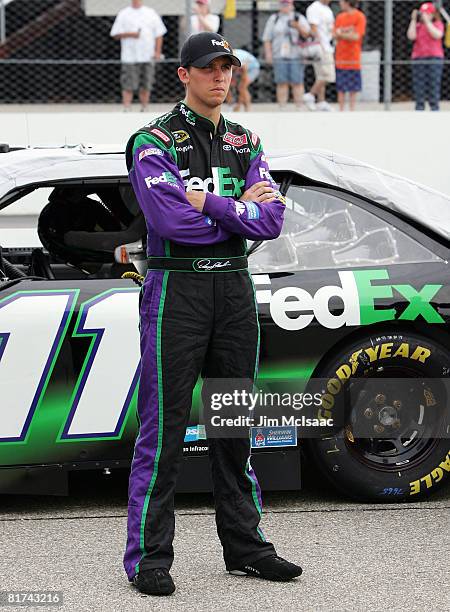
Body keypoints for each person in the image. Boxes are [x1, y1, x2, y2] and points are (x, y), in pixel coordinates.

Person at [123, 31, 302, 597]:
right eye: (209, 68)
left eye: (228, 67)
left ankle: (247, 549)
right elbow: (173, 223)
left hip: (233, 291)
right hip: (175, 291)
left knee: (235, 425)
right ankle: (148, 559)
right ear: (184, 74)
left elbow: (271, 223)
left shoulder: (247, 139)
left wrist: (212, 203)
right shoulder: (153, 140)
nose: (221, 76)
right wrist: (238, 213)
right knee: (166, 430)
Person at [110, 0, 167, 112]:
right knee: (128, 83)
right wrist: (130, 34)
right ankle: (127, 107)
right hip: (130, 55)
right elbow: (115, 33)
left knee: (146, 82)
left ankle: (144, 107)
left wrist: (157, 51)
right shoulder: (124, 13)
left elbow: (159, 33)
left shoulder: (151, 13)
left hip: (147, 54)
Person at [263, 0, 311, 108]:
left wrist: (297, 26)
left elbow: (308, 35)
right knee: (281, 82)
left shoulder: (299, 17)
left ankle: (299, 106)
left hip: (297, 55)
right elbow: (267, 38)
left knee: (297, 82)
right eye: (283, 4)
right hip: (279, 55)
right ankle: (282, 107)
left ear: (292, 5)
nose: (285, 6)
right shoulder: (274, 19)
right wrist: (268, 54)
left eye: (287, 4)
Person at [407, 2, 444, 111]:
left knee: (434, 85)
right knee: (419, 86)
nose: (424, 15)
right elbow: (411, 36)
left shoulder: (437, 23)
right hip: (419, 57)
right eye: (423, 13)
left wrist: (428, 22)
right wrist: (413, 20)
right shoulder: (418, 26)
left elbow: (437, 35)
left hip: (434, 58)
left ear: (433, 14)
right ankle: (419, 107)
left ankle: (434, 108)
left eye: (427, 13)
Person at [334, 0, 366, 111]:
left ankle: (352, 110)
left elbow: (356, 37)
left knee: (353, 89)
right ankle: (341, 109)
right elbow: (334, 34)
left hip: (353, 58)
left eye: (341, 2)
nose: (340, 3)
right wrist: (348, 32)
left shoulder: (360, 16)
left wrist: (341, 33)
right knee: (341, 88)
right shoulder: (340, 17)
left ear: (347, 3)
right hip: (340, 58)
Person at [304, 0, 335, 111]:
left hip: (328, 45)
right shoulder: (314, 8)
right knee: (328, 76)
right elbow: (313, 29)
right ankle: (310, 95)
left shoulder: (327, 9)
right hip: (321, 47)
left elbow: (330, 29)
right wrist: (320, 45)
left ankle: (321, 101)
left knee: (321, 75)